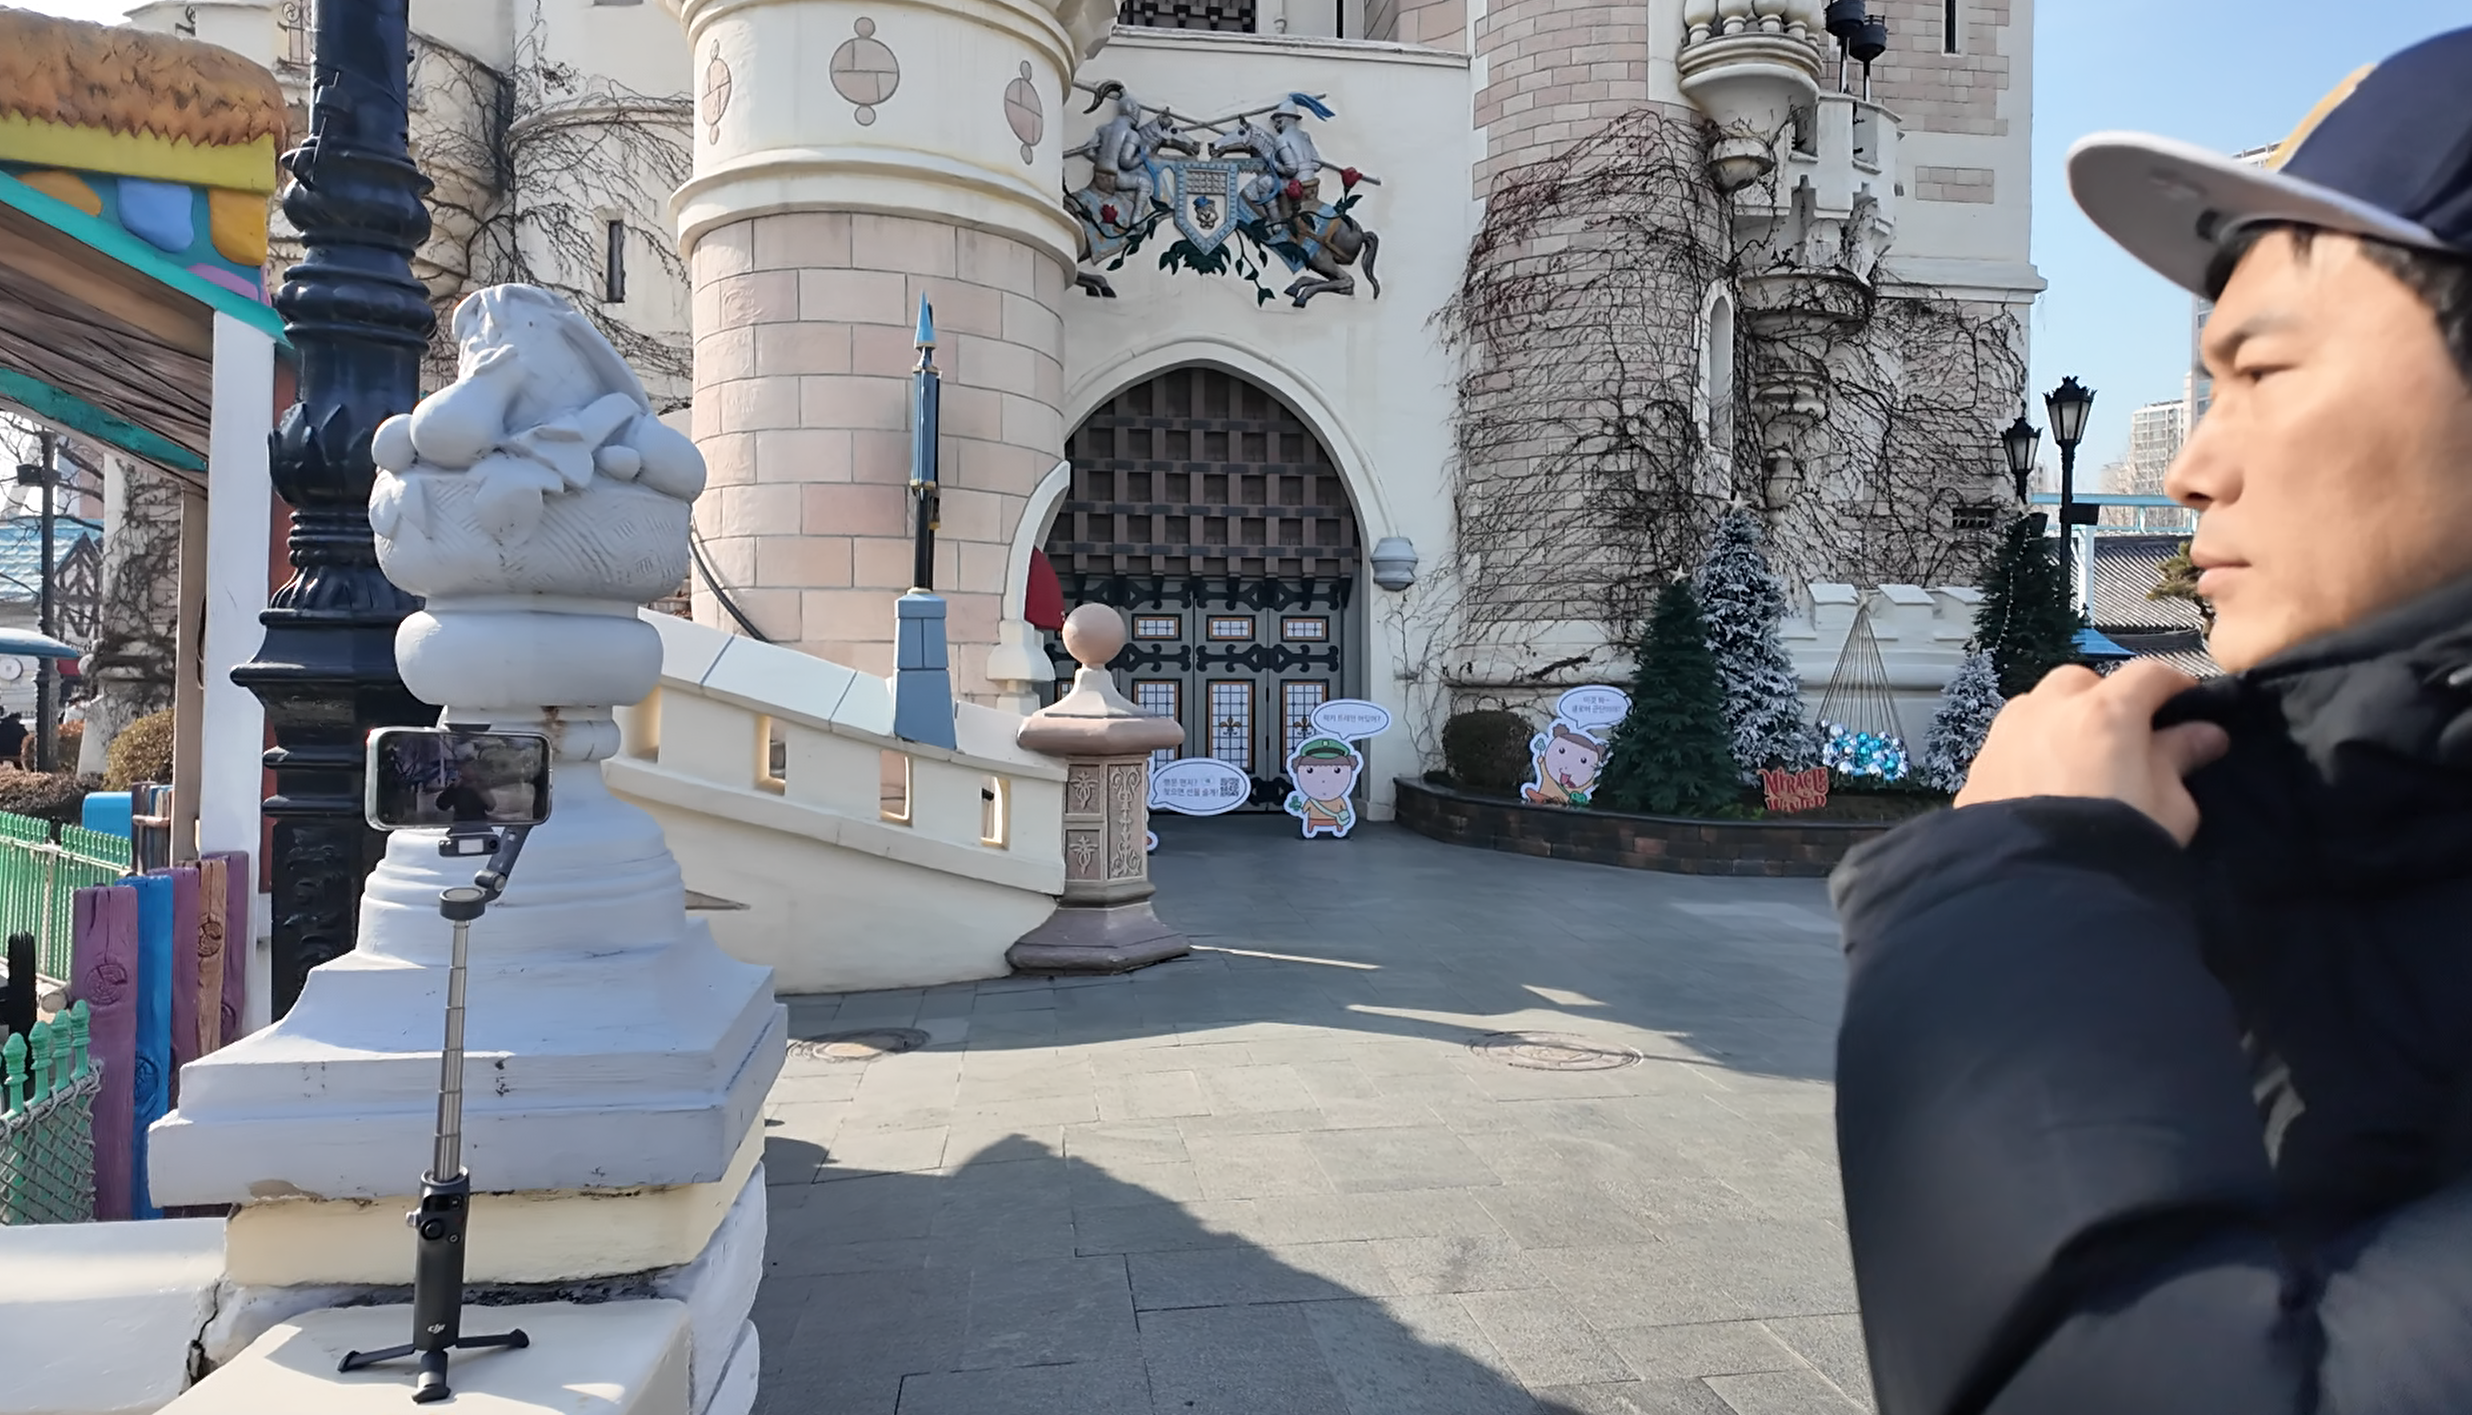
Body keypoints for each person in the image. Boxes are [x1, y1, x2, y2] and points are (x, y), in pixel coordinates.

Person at [1830, 27, 2472, 1415]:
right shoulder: (2335, 835)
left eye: (2267, 371)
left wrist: (2017, 884)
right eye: (2208, 382)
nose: (2191, 466)